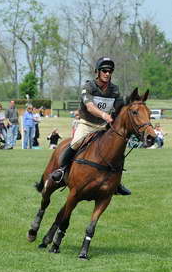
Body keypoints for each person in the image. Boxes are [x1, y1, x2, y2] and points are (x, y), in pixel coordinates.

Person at [49, 56, 130, 195]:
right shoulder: (89, 87)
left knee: (117, 150)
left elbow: (119, 108)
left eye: (110, 71)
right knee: (75, 143)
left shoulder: (114, 90)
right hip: (87, 124)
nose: (107, 73)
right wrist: (104, 115)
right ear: (97, 72)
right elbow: (90, 107)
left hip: (104, 127)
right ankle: (62, 170)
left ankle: (117, 182)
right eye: (104, 70)